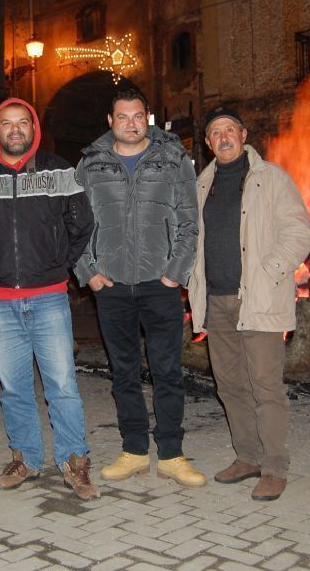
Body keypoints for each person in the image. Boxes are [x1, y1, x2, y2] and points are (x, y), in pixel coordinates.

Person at [0, 98, 100, 501]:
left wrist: (58, 264)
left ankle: (75, 461)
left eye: (22, 122)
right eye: (6, 123)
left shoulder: (59, 170)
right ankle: (26, 458)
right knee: (13, 387)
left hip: (49, 296)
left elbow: (81, 223)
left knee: (62, 384)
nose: (14, 129)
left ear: (34, 128)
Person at [74, 87, 204, 487]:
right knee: (124, 373)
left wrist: (174, 274)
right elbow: (72, 225)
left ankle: (171, 454)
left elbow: (188, 221)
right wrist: (89, 272)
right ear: (109, 121)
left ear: (147, 117)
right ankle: (133, 450)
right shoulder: (89, 165)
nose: (130, 123)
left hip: (159, 284)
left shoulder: (173, 158)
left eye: (137, 116)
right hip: (110, 287)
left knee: (167, 371)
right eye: (122, 116)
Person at [187, 107, 310, 501]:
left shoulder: (270, 178)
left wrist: (270, 268)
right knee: (230, 385)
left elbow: (299, 231)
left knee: (265, 385)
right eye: (215, 133)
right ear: (208, 144)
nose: (223, 137)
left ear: (243, 134)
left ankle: (275, 466)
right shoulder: (201, 184)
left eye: (229, 130)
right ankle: (248, 456)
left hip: (257, 298)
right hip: (215, 301)